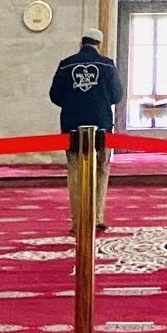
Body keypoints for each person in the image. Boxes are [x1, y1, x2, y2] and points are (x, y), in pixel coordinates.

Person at [48, 31, 124, 233]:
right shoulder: (107, 65)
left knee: (75, 171)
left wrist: (74, 102)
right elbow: (117, 95)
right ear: (99, 44)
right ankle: (97, 217)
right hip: (101, 125)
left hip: (72, 124)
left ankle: (78, 221)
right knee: (101, 168)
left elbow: (55, 95)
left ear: (80, 43)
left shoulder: (66, 64)